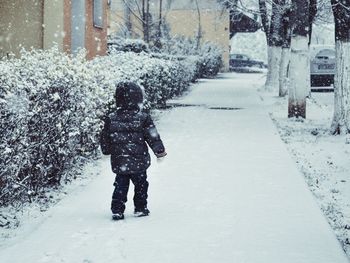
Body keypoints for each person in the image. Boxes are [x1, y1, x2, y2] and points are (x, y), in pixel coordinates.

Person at [100, 82, 167, 220]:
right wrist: (159, 151)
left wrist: (106, 150)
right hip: (139, 161)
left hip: (120, 160)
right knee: (141, 185)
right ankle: (140, 207)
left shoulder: (111, 118)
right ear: (138, 98)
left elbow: (105, 137)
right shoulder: (143, 117)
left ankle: (117, 209)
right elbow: (152, 136)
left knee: (120, 185)